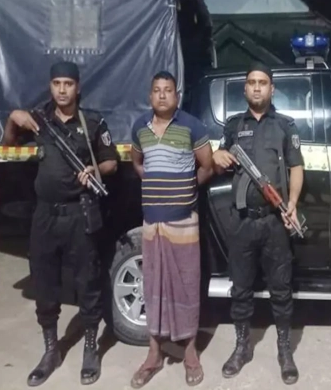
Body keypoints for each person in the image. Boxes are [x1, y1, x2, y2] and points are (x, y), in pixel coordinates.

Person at [3, 61, 118, 387]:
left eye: (68, 83)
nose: (63, 89)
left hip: (79, 213)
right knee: (44, 283)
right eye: (57, 83)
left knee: (88, 281)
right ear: (50, 86)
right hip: (44, 216)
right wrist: (13, 118)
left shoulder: (92, 122)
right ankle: (51, 351)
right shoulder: (38, 120)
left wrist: (96, 170)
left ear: (77, 87)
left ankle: (90, 349)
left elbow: (111, 161)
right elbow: (8, 146)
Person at [212, 62, 304, 385]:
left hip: (274, 222)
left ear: (271, 89)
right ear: (245, 88)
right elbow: (219, 160)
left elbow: (296, 167)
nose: (256, 87)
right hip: (242, 222)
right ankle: (242, 346)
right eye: (251, 82)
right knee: (240, 288)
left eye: (262, 82)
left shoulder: (285, 126)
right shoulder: (234, 126)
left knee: (281, 289)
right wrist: (217, 157)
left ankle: (284, 349)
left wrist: (292, 203)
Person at [129, 71, 213, 388]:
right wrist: (157, 185)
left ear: (177, 96)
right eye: (157, 90)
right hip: (153, 221)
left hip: (184, 221)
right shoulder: (140, 127)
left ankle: (190, 353)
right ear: (150, 95)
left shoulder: (192, 126)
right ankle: (154, 354)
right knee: (154, 287)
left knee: (187, 286)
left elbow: (207, 166)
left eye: (168, 90)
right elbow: (138, 164)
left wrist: (186, 189)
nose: (162, 95)